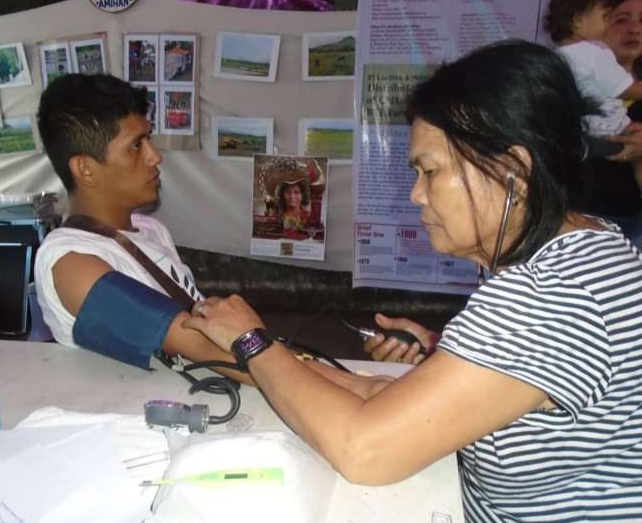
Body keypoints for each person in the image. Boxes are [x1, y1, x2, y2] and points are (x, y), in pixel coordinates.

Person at [183, 41, 642, 522]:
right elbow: (385, 394)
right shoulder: (591, 248)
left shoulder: (548, 296)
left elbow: (364, 451)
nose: (416, 195)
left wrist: (252, 341)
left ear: (512, 171)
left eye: (431, 171)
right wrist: (449, 352)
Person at [34, 73, 248, 382]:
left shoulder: (150, 230)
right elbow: (201, 347)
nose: (154, 156)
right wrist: (305, 373)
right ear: (85, 169)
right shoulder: (70, 261)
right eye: (136, 145)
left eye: (148, 138)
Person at [579, 0, 642, 247]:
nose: (635, 29)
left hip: (633, 227)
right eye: (621, 20)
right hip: (573, 221)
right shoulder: (565, 84)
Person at [545, 0, 642, 136]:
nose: (635, 30)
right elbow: (626, 90)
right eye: (606, 17)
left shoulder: (553, 58)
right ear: (578, 21)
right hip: (609, 132)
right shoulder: (593, 53)